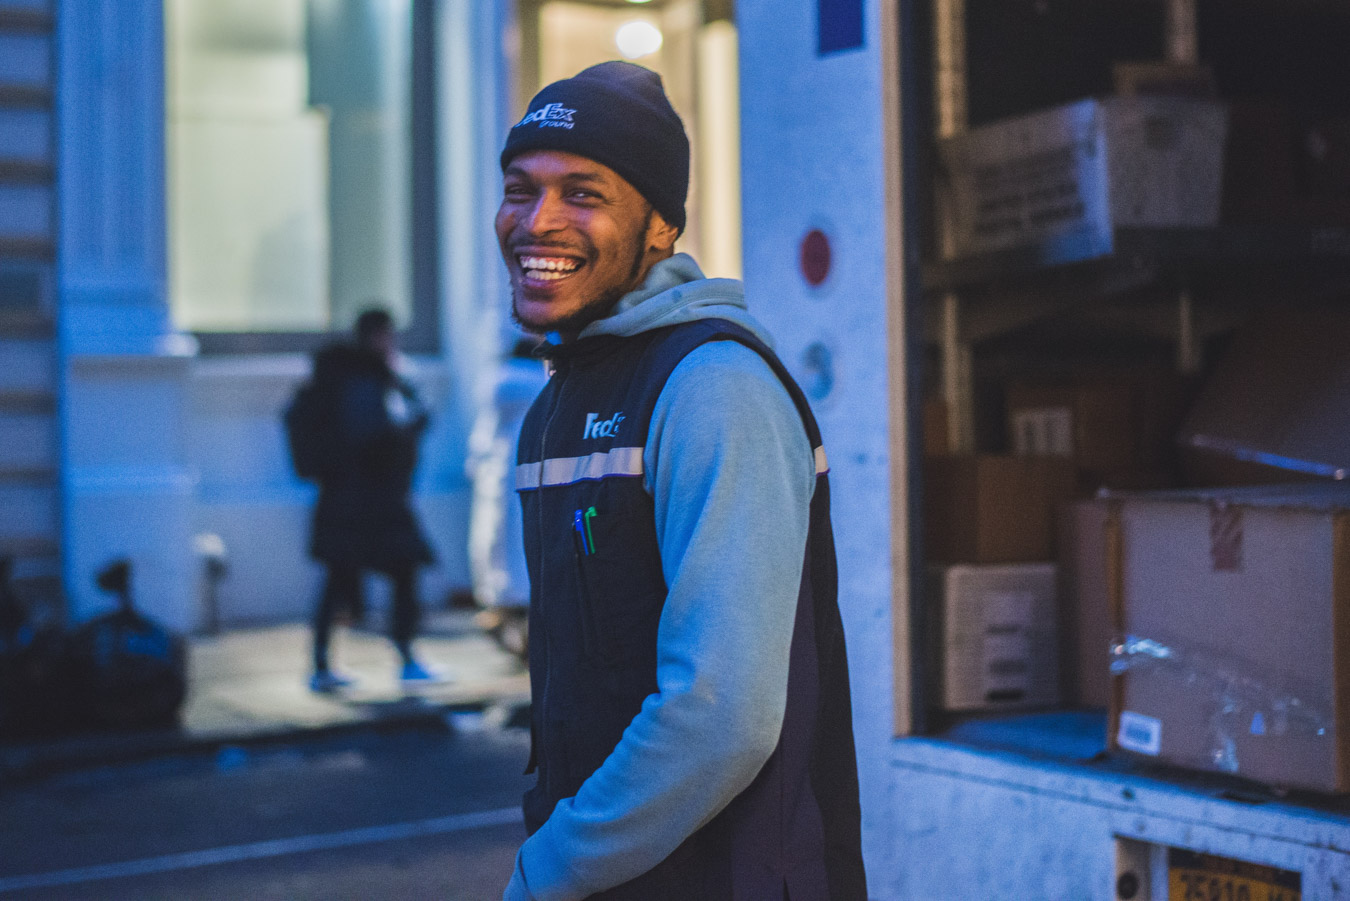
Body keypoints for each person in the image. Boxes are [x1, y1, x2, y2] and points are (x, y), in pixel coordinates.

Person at [499, 61, 866, 900]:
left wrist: (549, 865)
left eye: (583, 194)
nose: (537, 221)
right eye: (522, 189)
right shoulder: (561, 402)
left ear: (662, 226)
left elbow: (721, 716)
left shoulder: (712, 388)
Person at [303, 308, 441, 692]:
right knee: (397, 571)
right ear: (375, 336)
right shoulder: (364, 381)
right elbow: (371, 438)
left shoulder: (355, 377)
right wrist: (410, 428)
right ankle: (403, 658)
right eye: (388, 335)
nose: (392, 343)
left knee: (344, 578)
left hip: (349, 501)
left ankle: (323, 666)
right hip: (369, 503)